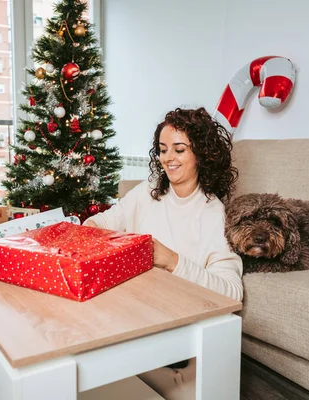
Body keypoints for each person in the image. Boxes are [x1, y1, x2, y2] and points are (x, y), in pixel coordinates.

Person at [83, 107, 243, 400]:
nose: (168, 158)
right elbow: (108, 220)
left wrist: (171, 260)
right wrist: (91, 227)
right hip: (131, 309)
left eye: (179, 150)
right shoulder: (148, 192)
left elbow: (232, 292)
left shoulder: (214, 215)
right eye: (163, 149)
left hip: (173, 323)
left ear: (202, 155)